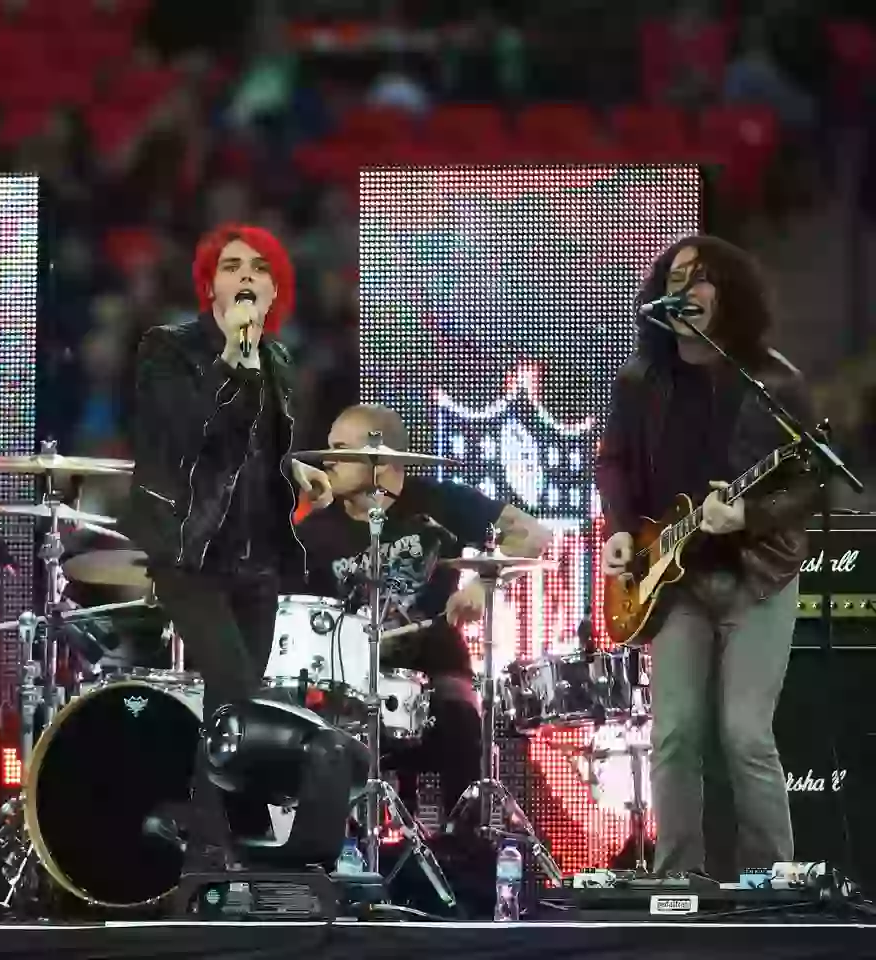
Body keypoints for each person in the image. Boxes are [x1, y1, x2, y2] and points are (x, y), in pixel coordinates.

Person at [596, 235, 817, 876]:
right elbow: (613, 462)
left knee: (746, 734)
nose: (683, 288)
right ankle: (677, 878)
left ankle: (771, 880)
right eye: (674, 277)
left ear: (729, 293)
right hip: (676, 582)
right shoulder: (642, 379)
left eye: (699, 277)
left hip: (758, 576)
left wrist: (746, 515)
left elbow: (811, 483)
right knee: (674, 734)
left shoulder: (774, 380)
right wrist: (621, 529)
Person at [125, 223, 334, 871]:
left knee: (239, 707)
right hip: (188, 551)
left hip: (256, 556)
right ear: (210, 285)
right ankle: (204, 835)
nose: (246, 275)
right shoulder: (167, 348)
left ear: (275, 289)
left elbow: (255, 450)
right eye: (232, 265)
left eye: (260, 268)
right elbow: (189, 436)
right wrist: (233, 362)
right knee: (237, 689)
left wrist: (295, 469)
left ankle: (208, 840)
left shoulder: (277, 360)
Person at [297, 403, 552, 822]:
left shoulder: (438, 502)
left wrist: (484, 584)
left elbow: (532, 534)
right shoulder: (313, 532)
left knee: (463, 726)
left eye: (340, 449)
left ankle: (466, 845)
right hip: (352, 679)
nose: (327, 461)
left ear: (382, 458)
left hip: (437, 669)